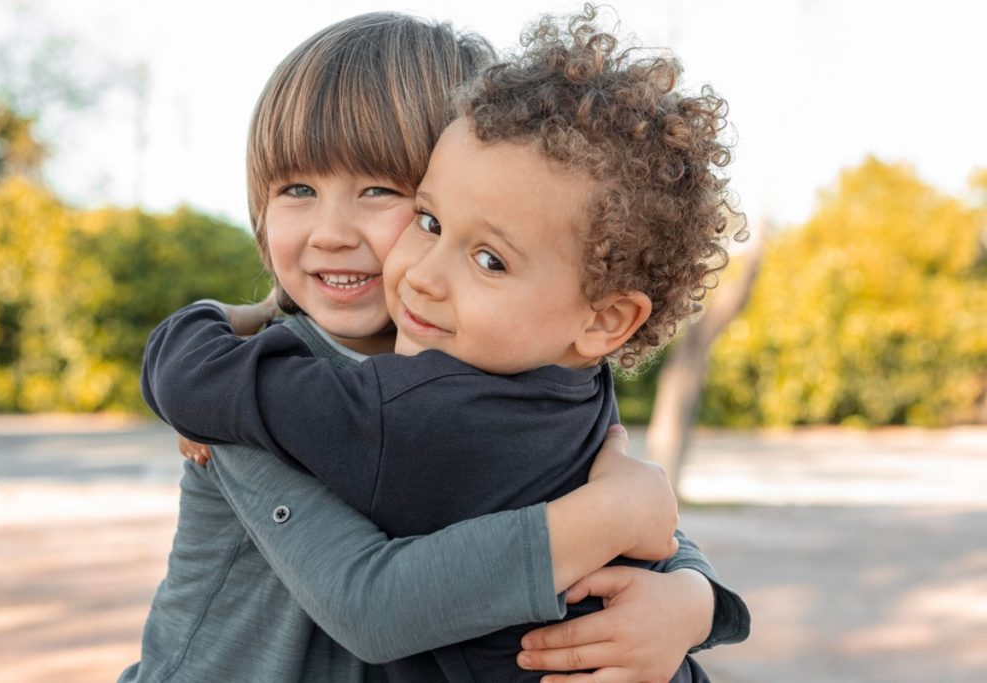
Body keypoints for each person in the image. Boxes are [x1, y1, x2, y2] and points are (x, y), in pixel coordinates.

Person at [141, 7, 748, 682]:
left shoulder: (500, 364)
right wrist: (230, 322)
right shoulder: (265, 386)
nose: (331, 231)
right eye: (296, 189)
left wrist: (689, 601)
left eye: (378, 190)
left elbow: (634, 517)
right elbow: (372, 601)